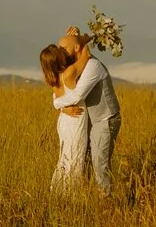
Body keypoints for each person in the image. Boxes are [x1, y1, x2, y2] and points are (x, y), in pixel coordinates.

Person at [50, 25, 120, 194]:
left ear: (76, 48)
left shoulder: (93, 66)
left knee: (99, 163)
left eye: (64, 48)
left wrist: (59, 105)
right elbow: (60, 94)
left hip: (104, 119)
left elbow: (76, 96)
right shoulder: (78, 65)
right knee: (85, 161)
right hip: (89, 120)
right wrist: (62, 108)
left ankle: (106, 203)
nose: (61, 52)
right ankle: (88, 197)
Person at [39, 43, 90, 192]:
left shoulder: (52, 80)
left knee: (65, 157)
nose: (64, 52)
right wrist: (80, 39)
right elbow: (86, 54)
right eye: (61, 51)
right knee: (75, 158)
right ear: (58, 59)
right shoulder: (69, 73)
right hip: (75, 120)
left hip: (64, 119)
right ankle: (70, 194)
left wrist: (62, 107)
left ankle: (57, 190)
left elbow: (58, 100)